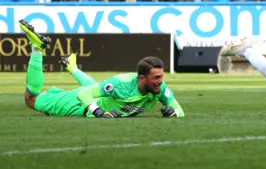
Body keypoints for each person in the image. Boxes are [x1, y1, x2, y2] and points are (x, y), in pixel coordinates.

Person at [19, 19, 183, 118]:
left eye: (161, 77)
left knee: (99, 87)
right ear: (142, 78)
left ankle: (73, 68)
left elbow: (179, 109)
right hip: (78, 105)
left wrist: (174, 112)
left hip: (93, 98)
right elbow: (84, 93)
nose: (160, 82)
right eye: (156, 78)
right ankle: (37, 49)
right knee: (31, 100)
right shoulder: (120, 84)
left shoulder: (160, 89)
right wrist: (98, 112)